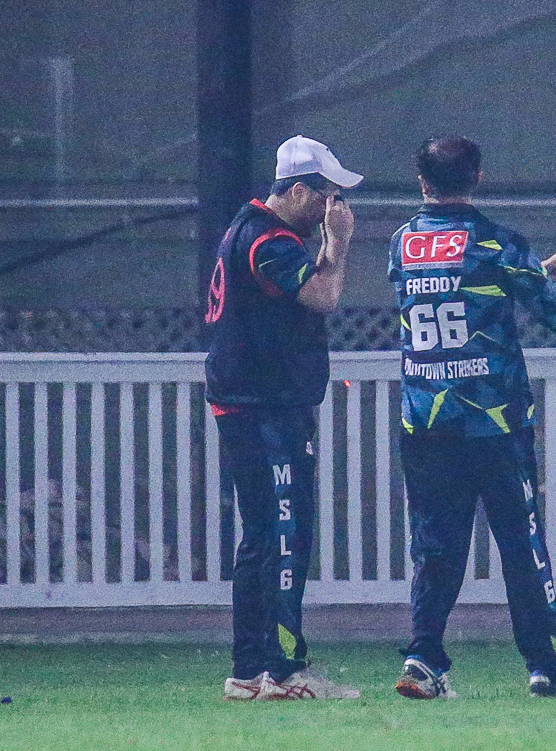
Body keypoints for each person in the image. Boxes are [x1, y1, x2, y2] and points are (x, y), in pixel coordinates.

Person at [387, 136, 556, 700]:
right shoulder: (497, 241)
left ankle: (423, 658)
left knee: (435, 546)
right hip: (494, 422)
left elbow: (457, 288)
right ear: (478, 177)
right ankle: (546, 666)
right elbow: (554, 314)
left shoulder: (402, 242)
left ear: (422, 182)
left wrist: (531, 272)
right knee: (520, 542)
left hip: (425, 420)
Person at [206, 135, 363, 701]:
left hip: (252, 405)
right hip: (264, 409)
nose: (332, 208)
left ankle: (249, 671)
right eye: (326, 196)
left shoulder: (249, 229)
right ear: (297, 190)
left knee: (262, 538)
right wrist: (338, 245)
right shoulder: (268, 240)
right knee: (283, 536)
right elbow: (322, 297)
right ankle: (281, 671)